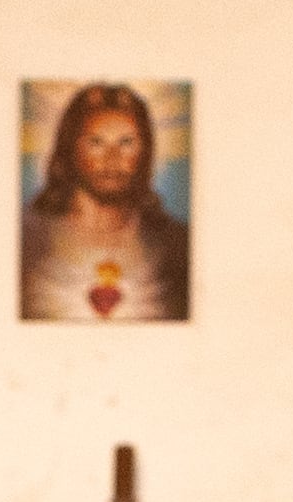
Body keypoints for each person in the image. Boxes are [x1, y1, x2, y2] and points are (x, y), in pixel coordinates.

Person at [19, 82, 190, 324]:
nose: (112, 159)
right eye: (96, 142)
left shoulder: (177, 244)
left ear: (145, 151)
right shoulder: (25, 236)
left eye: (126, 142)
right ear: (70, 149)